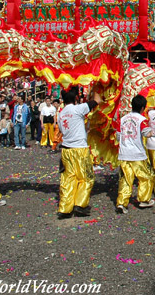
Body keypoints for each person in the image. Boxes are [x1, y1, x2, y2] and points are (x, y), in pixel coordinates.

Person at [56, 89, 102, 219]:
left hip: (66, 149)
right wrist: (97, 83)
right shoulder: (78, 109)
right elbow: (97, 101)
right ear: (76, 98)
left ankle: (65, 208)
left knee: (68, 178)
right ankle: (80, 205)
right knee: (86, 177)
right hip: (79, 149)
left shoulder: (61, 113)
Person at [115, 95, 155, 213]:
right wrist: (151, 131)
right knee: (146, 177)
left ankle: (122, 203)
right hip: (137, 154)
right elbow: (147, 134)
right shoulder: (141, 119)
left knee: (125, 179)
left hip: (124, 154)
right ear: (143, 108)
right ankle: (144, 199)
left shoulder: (122, 119)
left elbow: (118, 136)